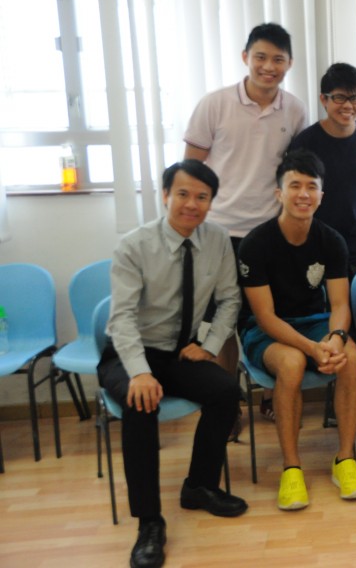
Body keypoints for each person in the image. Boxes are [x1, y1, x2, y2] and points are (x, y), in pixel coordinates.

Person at [98, 160, 247, 568]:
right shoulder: (134, 245)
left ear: (211, 202)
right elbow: (121, 319)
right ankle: (149, 522)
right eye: (182, 194)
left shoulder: (217, 239)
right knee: (140, 402)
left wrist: (210, 346)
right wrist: (140, 372)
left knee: (225, 391)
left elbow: (230, 299)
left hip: (179, 351)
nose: (191, 204)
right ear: (165, 195)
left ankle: (199, 486)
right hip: (129, 352)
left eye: (202, 197)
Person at [184, 22, 308, 423]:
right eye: (260, 57)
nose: (268, 67)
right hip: (219, 233)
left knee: (272, 316)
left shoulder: (295, 110)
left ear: (289, 64)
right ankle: (226, 403)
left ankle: (272, 394)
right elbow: (191, 171)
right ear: (245, 58)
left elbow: (295, 172)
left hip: (271, 234)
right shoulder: (215, 104)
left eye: (278, 59)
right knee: (221, 323)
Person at [237, 149, 356, 511]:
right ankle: (291, 468)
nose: (303, 194)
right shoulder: (255, 244)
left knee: (350, 355)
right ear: (279, 193)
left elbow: (339, 305)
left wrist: (336, 338)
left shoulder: (331, 240)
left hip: (315, 322)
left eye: (311, 186)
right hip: (264, 330)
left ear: (321, 196)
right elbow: (265, 316)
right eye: (295, 185)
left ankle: (345, 459)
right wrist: (312, 349)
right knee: (292, 363)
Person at [288, 63, 356, 275]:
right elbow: (294, 195)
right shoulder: (305, 142)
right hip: (318, 245)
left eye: (355, 98)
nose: (348, 105)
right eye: (339, 97)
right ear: (323, 100)